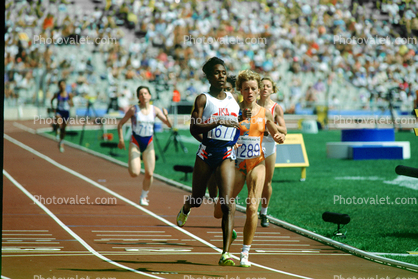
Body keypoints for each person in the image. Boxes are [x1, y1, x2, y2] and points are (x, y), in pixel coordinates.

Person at [214, 69, 285, 267]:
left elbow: (276, 132)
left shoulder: (265, 112)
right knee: (220, 210)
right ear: (240, 90)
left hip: (257, 163)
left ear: (259, 89)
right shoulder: (233, 110)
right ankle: (231, 230)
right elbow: (221, 133)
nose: (251, 92)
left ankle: (245, 253)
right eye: (246, 89)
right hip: (236, 164)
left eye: (254, 88)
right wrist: (234, 134)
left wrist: (280, 137)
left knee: (252, 207)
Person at [176, 57, 240, 266]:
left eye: (223, 72)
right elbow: (194, 128)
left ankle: (225, 254)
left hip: (226, 154)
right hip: (205, 153)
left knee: (227, 203)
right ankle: (186, 207)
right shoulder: (203, 99)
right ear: (209, 76)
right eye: (216, 73)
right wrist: (216, 122)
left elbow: (240, 123)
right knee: (197, 198)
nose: (221, 76)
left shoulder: (233, 99)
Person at [117, 86, 172, 206]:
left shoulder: (155, 110)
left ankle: (143, 196)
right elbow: (120, 124)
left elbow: (169, 125)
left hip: (148, 143)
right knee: (134, 173)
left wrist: (167, 116)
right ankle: (133, 160)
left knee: (150, 173)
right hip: (135, 143)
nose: (144, 96)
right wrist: (121, 139)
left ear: (150, 96)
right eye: (141, 94)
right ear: (138, 97)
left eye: (146, 93)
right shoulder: (133, 110)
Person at [257, 77, 287, 227]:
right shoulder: (252, 105)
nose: (264, 88)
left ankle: (264, 212)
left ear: (272, 90)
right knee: (250, 180)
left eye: (268, 86)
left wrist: (270, 125)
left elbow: (284, 130)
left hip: (269, 146)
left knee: (267, 182)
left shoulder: (276, 108)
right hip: (254, 145)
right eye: (262, 85)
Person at [50, 79, 73, 153]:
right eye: (61, 85)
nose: (62, 87)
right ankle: (57, 130)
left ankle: (61, 141)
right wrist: (53, 108)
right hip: (59, 111)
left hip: (66, 112)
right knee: (59, 122)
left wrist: (69, 102)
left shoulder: (69, 94)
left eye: (63, 85)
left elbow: (72, 104)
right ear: (59, 86)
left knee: (64, 129)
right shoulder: (57, 94)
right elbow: (52, 100)